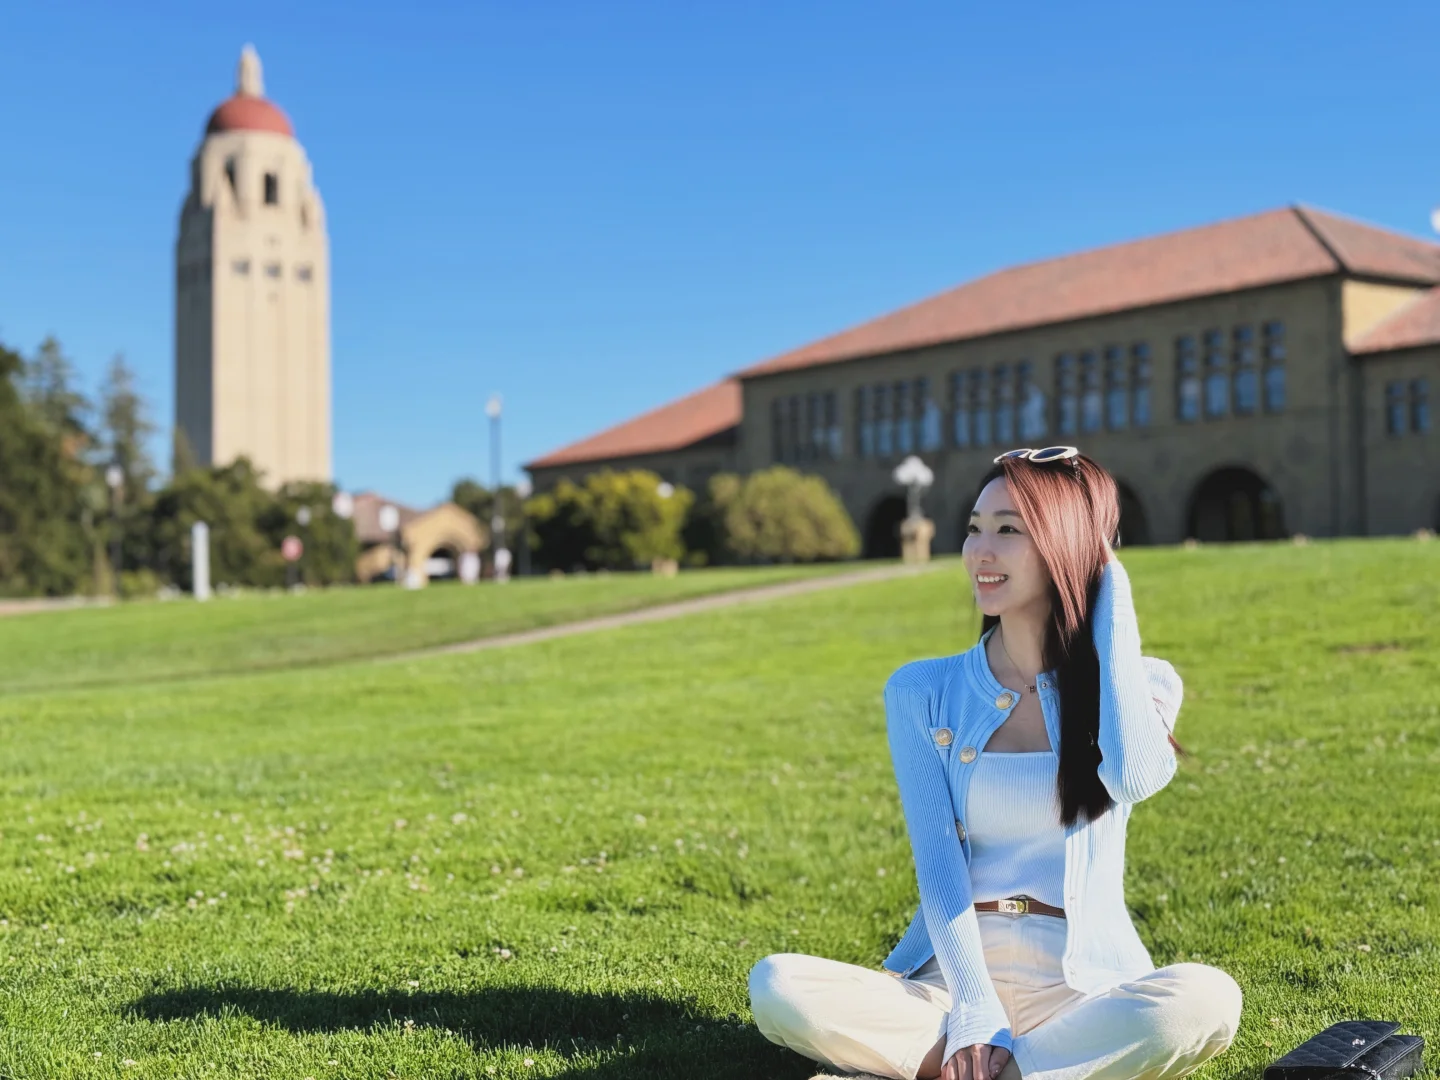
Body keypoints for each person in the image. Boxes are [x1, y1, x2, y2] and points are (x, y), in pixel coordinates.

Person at [749, 446, 1243, 1080]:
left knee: (1205, 1000)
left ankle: (972, 1070)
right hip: (948, 982)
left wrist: (1110, 596)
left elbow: (1136, 778)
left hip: (1080, 988)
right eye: (974, 528)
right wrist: (975, 1009)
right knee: (778, 985)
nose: (980, 551)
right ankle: (1025, 1068)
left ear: (1066, 544)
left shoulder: (1144, 683)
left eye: (1009, 531)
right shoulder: (922, 690)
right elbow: (938, 861)